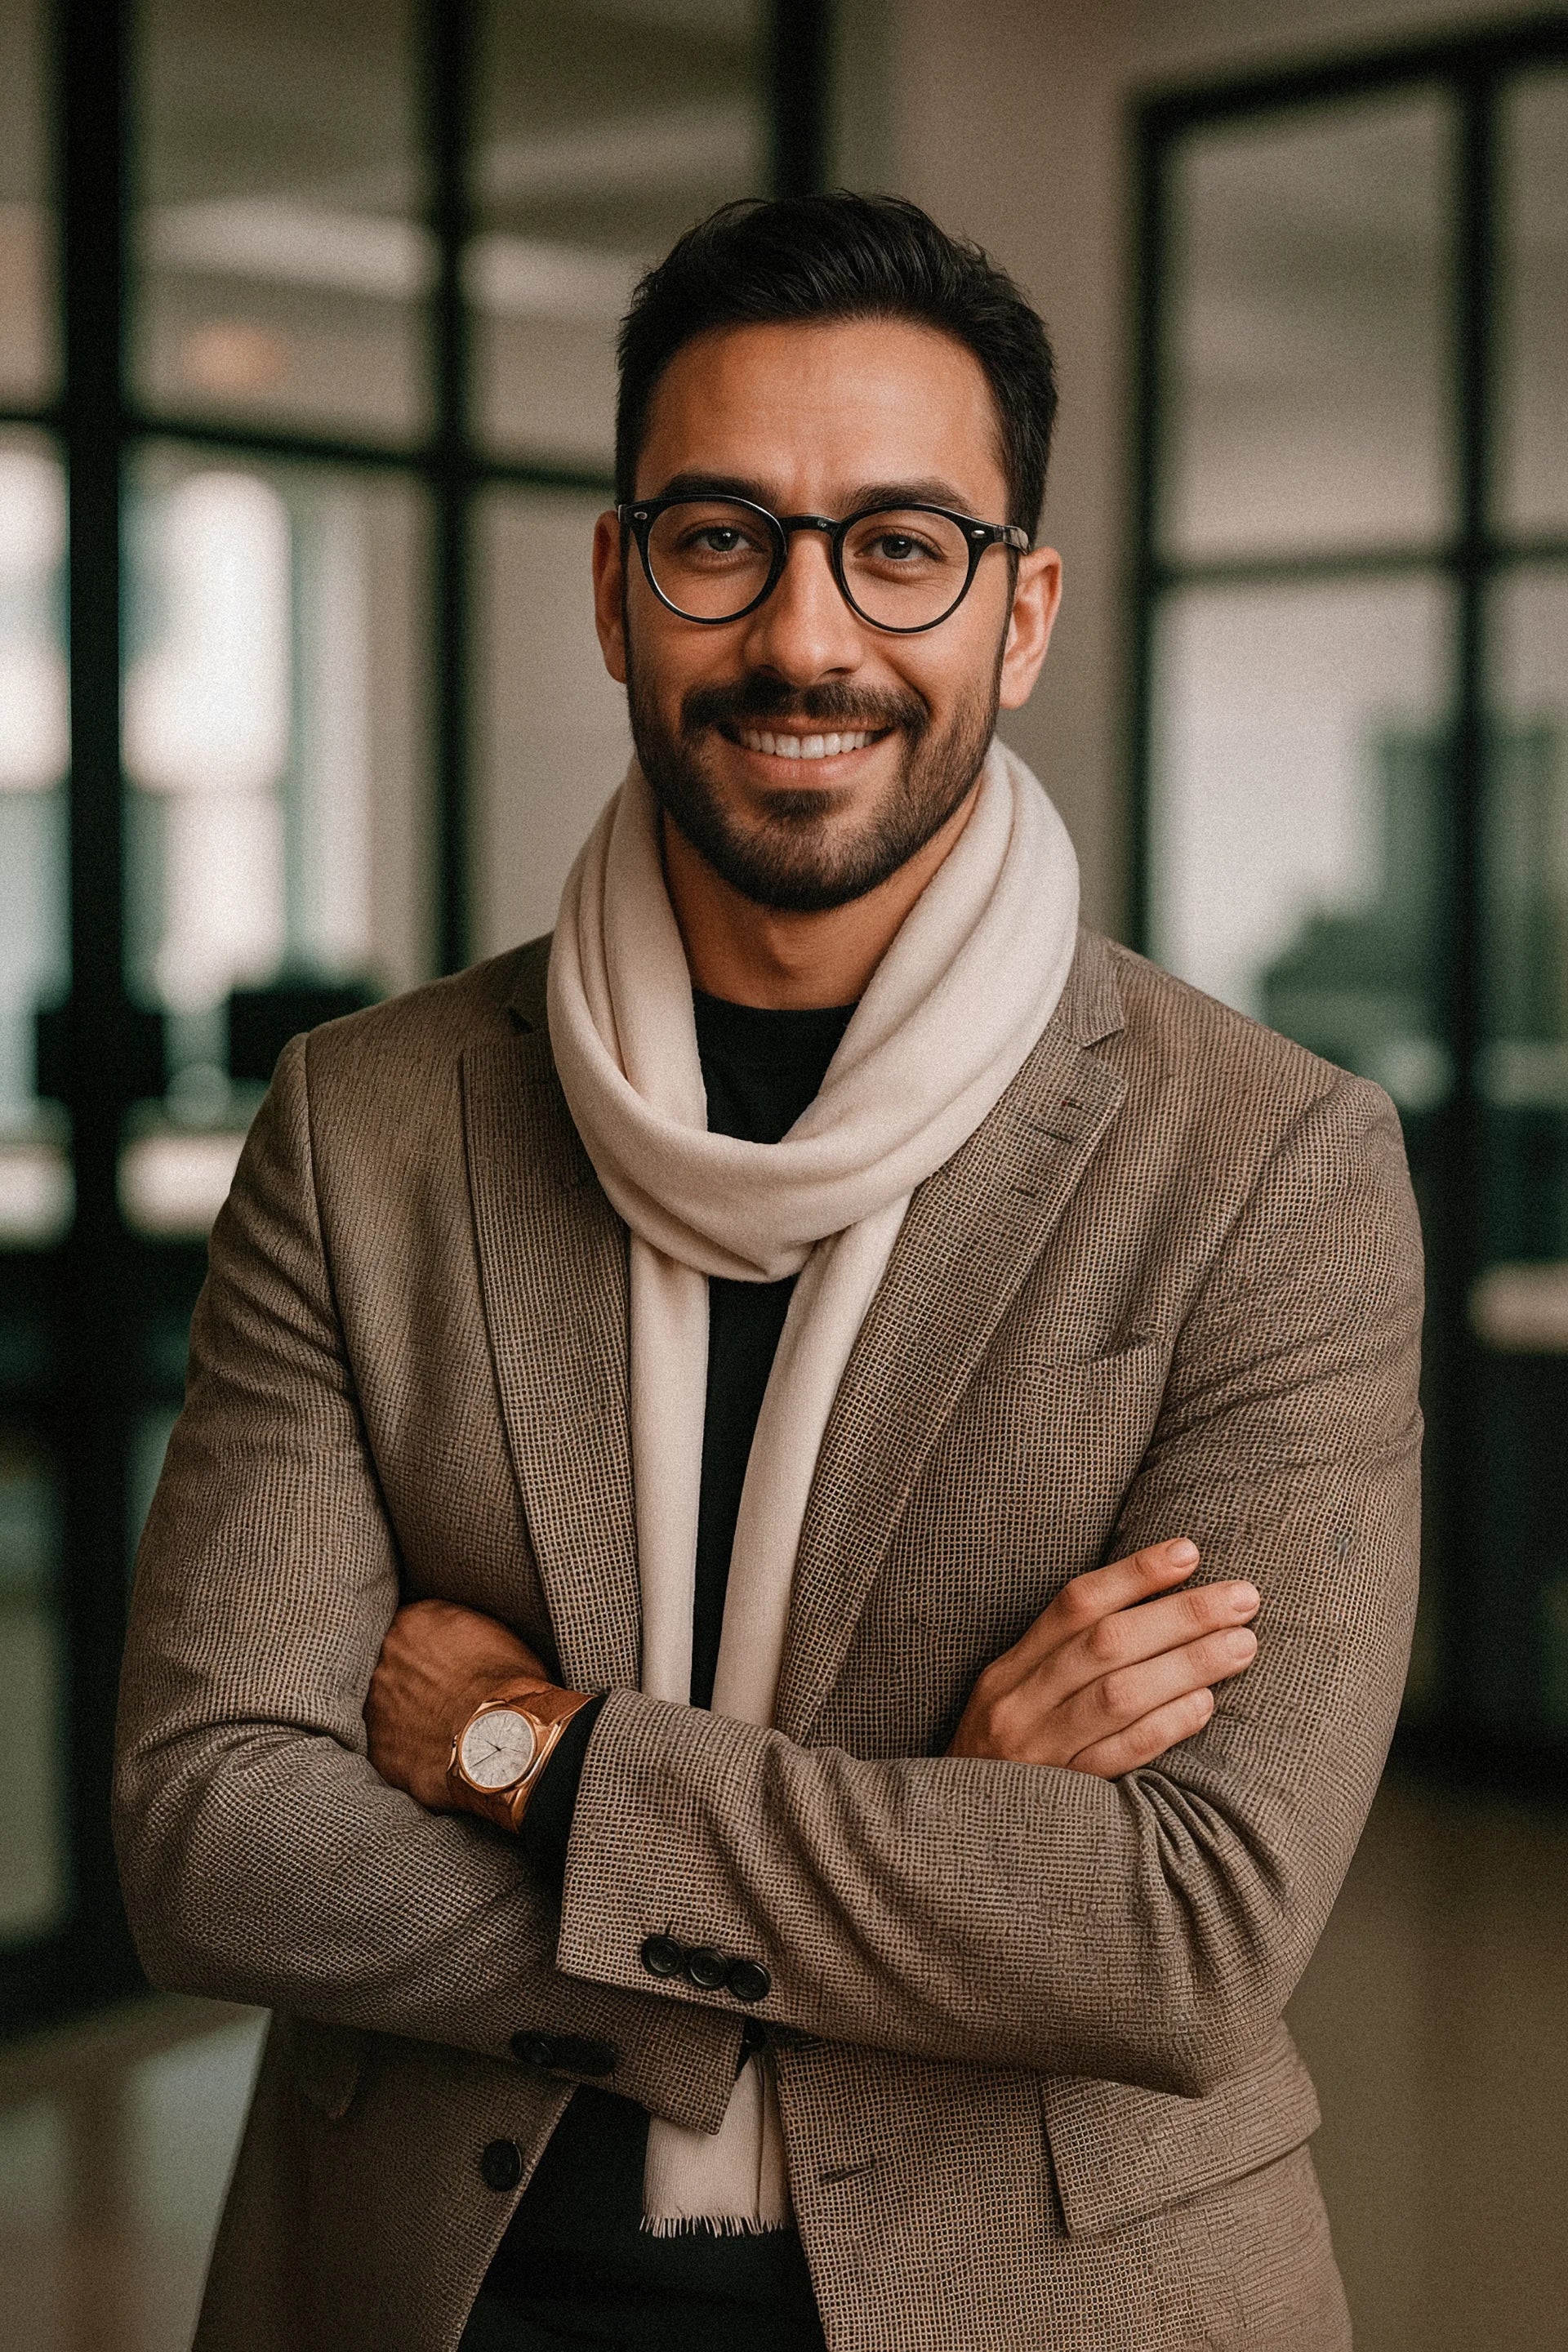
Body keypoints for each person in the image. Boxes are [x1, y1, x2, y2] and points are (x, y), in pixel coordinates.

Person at [114, 194, 1422, 2352]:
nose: (808, 636)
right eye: (723, 533)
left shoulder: (1268, 1166)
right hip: (447, 2283)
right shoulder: (365, 1125)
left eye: (902, 544)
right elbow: (213, 1831)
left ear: (1025, 614)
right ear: (619, 593)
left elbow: (1187, 1932)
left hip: (1054, 2297)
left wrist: (539, 1759)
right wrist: (942, 1871)